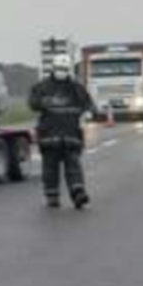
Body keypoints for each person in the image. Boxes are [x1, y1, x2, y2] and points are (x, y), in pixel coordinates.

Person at [29, 53, 95, 209]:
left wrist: (88, 112)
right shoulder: (41, 87)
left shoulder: (76, 88)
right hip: (49, 136)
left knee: (73, 166)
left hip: (71, 135)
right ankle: (52, 196)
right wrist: (43, 102)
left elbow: (88, 104)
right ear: (53, 68)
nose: (61, 71)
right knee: (49, 169)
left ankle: (78, 193)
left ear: (69, 69)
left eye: (64, 69)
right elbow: (33, 103)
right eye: (59, 68)